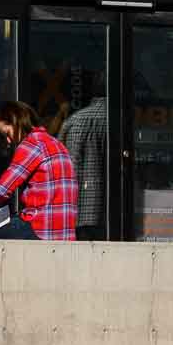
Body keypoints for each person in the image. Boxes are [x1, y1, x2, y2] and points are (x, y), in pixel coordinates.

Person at [0, 101, 78, 242]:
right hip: (64, 233)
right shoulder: (56, 143)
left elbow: (3, 188)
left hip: (41, 229)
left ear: (16, 121)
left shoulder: (31, 144)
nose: (8, 140)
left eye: (7, 133)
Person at [60, 95, 108, 241]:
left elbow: (62, 161)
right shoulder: (113, 119)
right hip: (107, 205)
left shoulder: (74, 119)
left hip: (76, 202)